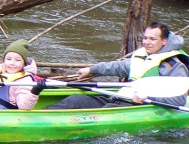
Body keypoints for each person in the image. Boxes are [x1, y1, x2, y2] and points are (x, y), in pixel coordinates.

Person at [45, 21, 189, 110]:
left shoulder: (174, 66)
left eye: (152, 39)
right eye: (145, 38)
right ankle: (38, 116)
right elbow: (115, 67)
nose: (147, 42)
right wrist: (91, 69)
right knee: (75, 100)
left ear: (164, 41)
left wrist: (150, 97)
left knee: (106, 110)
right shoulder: (142, 57)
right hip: (120, 98)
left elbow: (179, 99)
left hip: (139, 105)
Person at [0, 39, 45, 110]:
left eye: (18, 60)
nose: (12, 63)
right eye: (8, 59)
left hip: (5, 115)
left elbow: (24, 107)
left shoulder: (24, 80)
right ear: (4, 60)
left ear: (23, 63)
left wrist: (34, 92)